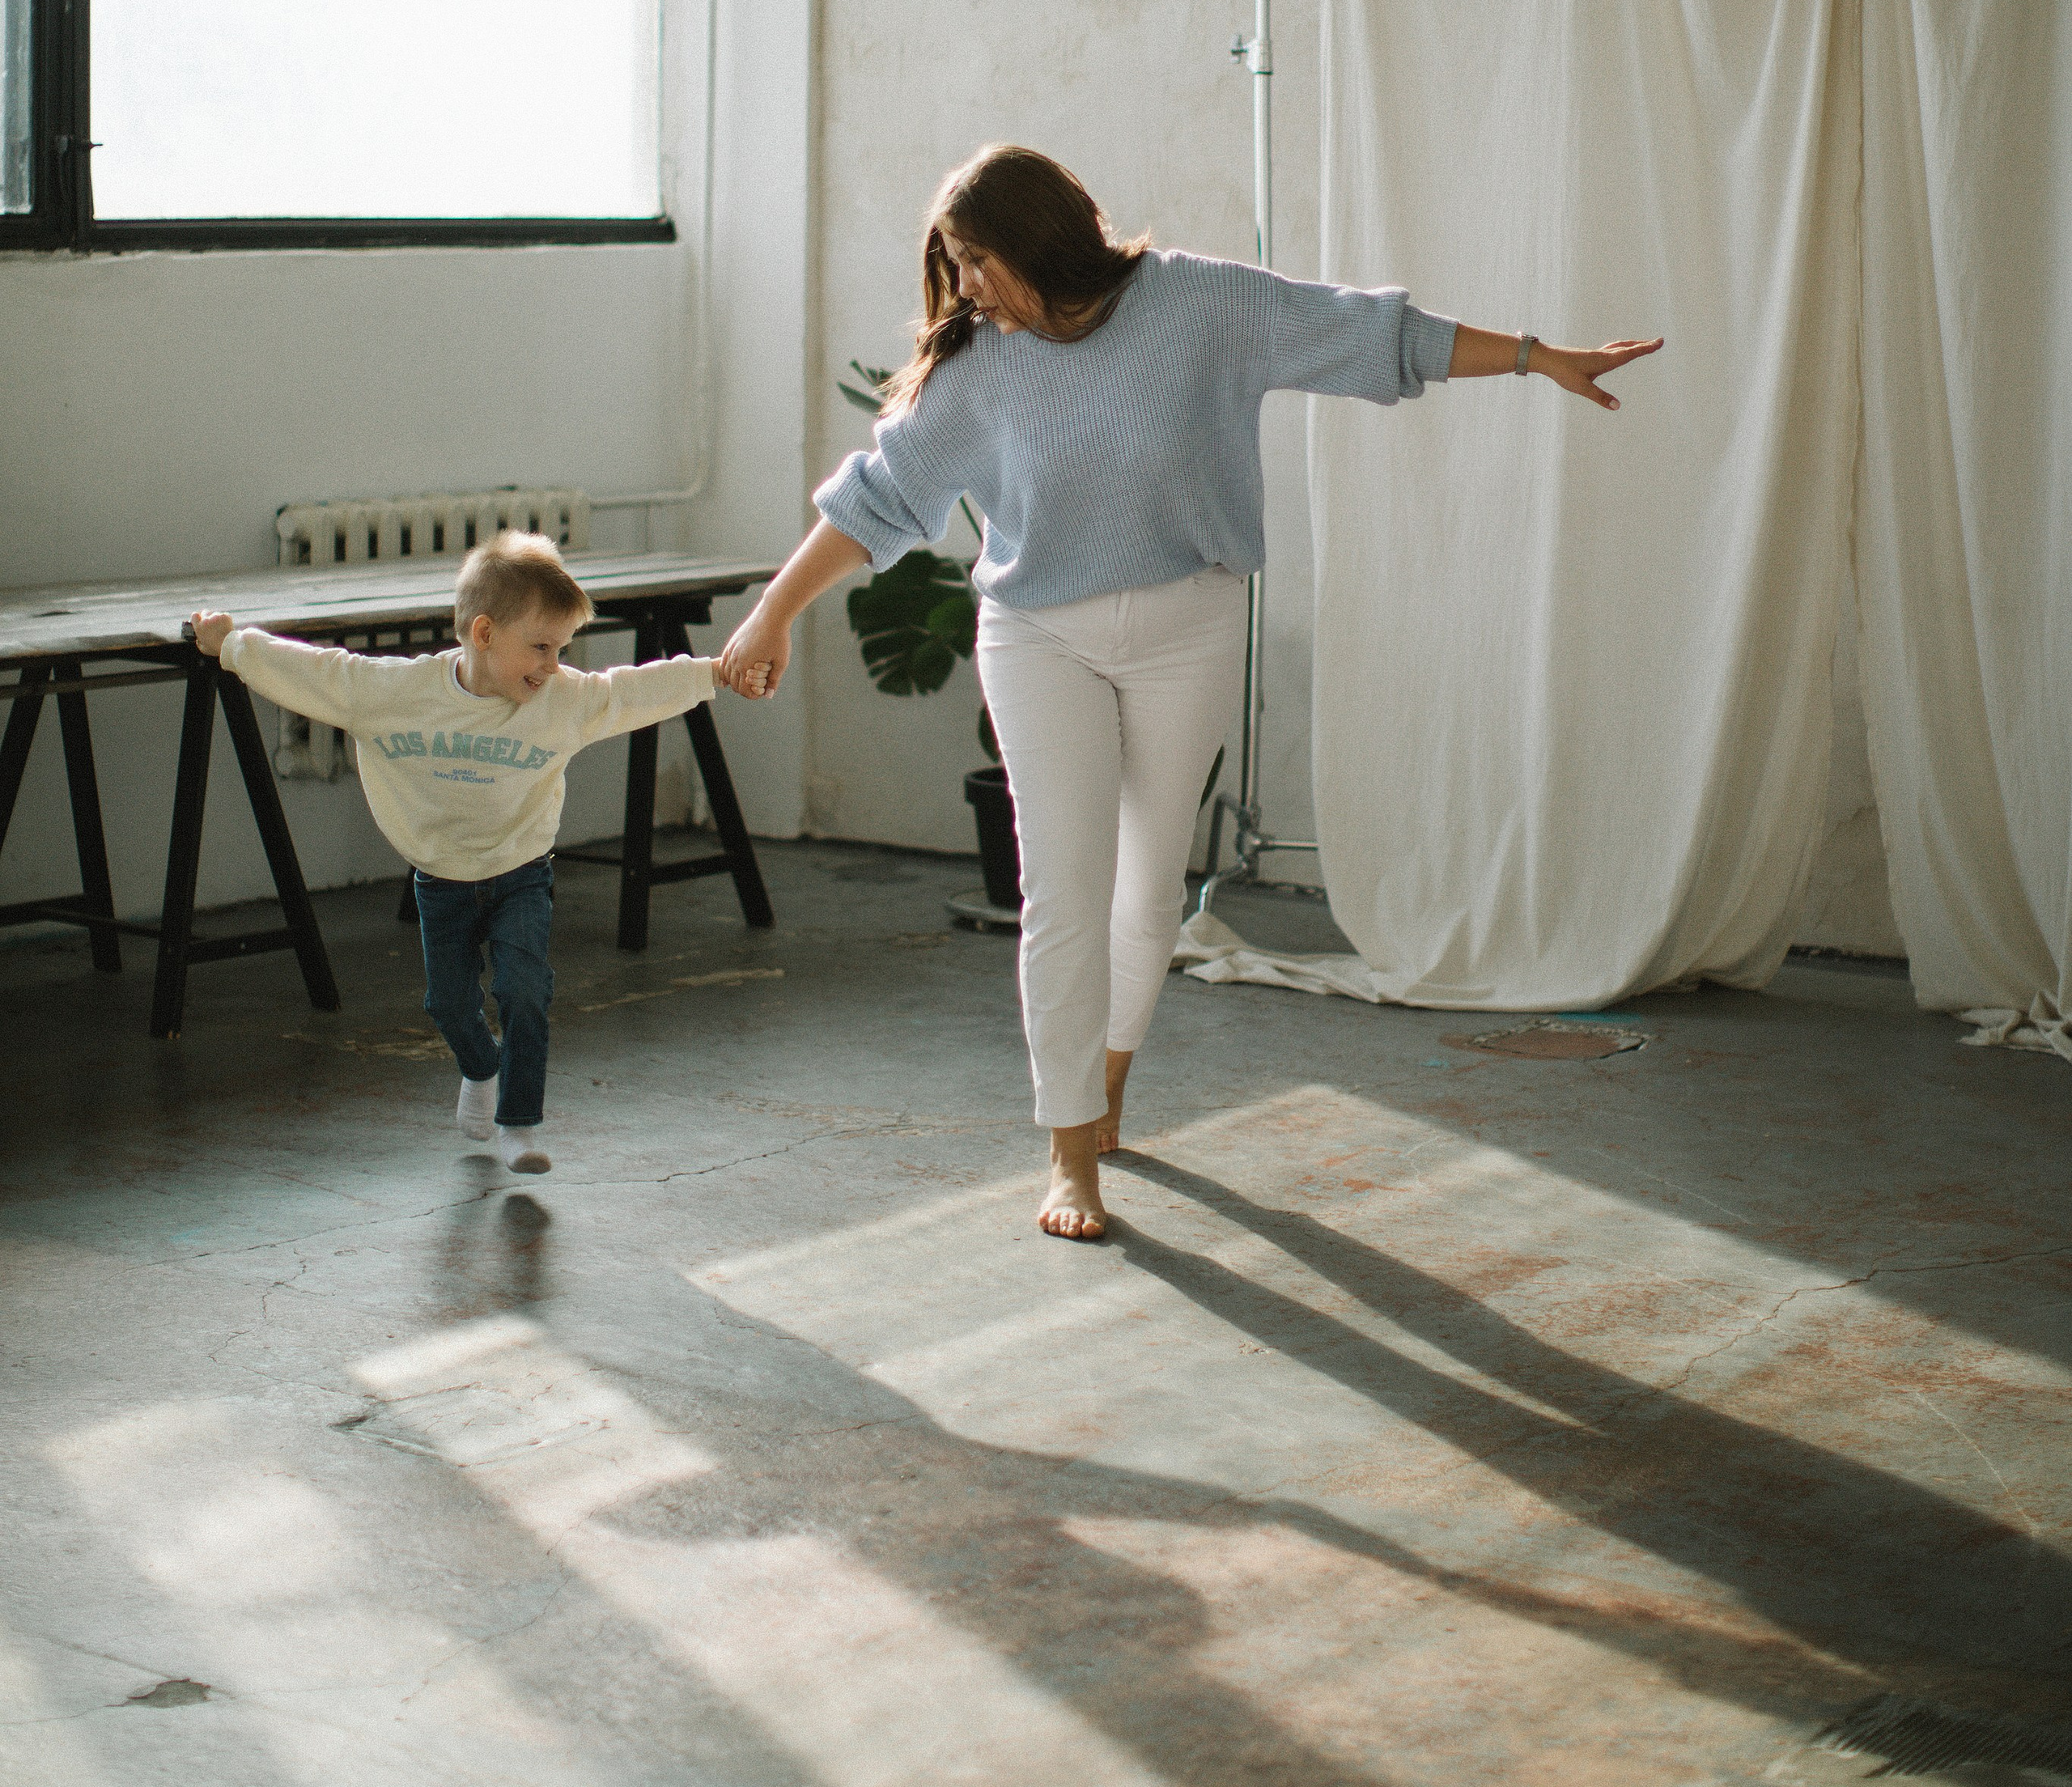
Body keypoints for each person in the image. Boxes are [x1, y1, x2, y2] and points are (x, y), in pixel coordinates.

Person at [719, 142, 1661, 1242]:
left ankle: (1107, 1079)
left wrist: (1540, 358)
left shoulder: (1197, 306)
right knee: (1062, 891)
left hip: (1187, 627)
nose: (964, 287)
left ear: (1041, 241)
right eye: (955, 266)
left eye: (978, 261)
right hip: (1038, 638)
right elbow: (879, 500)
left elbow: (1366, 334)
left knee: (1150, 887)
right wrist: (772, 611)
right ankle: (1071, 1155)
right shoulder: (975, 368)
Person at [189, 532, 768, 1175]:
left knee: (524, 989)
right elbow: (312, 672)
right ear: (485, 632)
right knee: (448, 1006)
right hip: (440, 881)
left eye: (562, 649)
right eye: (542, 647)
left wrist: (715, 672)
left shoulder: (561, 700)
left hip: (522, 873)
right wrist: (233, 645)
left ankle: (519, 1125)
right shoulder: (395, 692)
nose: (553, 665)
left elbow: (628, 691)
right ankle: (480, 1067)